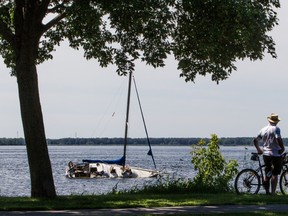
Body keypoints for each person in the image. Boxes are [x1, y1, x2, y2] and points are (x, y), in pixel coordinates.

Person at [253, 113, 285, 195]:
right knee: (274, 174)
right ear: (276, 121)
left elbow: (255, 140)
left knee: (267, 172)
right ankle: (273, 193)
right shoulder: (276, 129)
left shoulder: (263, 129)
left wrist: (259, 149)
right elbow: (278, 139)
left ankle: (267, 191)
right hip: (275, 154)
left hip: (265, 154)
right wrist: (282, 148)